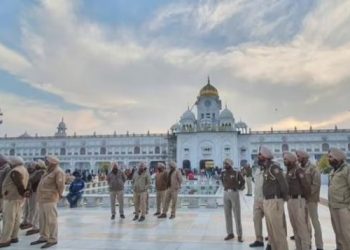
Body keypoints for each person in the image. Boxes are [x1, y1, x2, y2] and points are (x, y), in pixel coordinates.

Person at [30, 155, 65, 249]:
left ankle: (53, 239)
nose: (45, 163)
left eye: (47, 161)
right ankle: (43, 236)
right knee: (42, 220)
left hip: (50, 199)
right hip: (42, 199)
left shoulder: (58, 171)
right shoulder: (47, 171)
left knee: (51, 220)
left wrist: (59, 195)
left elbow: (61, 186)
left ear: (52, 162)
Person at [259, 146, 288, 250]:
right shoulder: (267, 168)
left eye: (260, 155)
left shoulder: (273, 168)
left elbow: (283, 184)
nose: (258, 157)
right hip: (268, 201)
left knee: (278, 231)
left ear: (265, 156)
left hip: (274, 201)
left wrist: (282, 200)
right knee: (271, 232)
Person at [296, 150, 323, 250]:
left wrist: (306, 194)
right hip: (302, 200)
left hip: (311, 200)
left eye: (298, 156)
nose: (297, 158)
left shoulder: (313, 168)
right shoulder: (299, 168)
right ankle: (308, 243)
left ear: (304, 157)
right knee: (305, 223)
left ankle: (319, 246)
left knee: (315, 222)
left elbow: (316, 185)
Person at [0, 156, 29, 248]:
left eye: (10, 162)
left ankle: (5, 239)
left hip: (11, 197)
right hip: (16, 197)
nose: (9, 163)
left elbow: (19, 185)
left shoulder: (15, 171)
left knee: (8, 219)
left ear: (14, 162)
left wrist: (22, 194)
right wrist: (23, 195)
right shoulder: (23, 169)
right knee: (16, 218)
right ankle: (14, 237)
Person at [284, 152, 311, 250]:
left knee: (302, 227)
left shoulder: (298, 170)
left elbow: (306, 186)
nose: (284, 161)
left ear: (291, 160)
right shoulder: (289, 171)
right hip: (291, 200)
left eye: (286, 159)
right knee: (295, 227)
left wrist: (305, 200)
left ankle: (306, 247)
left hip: (299, 201)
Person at [328, 148, 350, 250]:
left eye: (331, 157)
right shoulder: (333, 170)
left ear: (338, 157)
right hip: (334, 206)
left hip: (344, 207)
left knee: (346, 233)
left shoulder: (347, 169)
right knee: (338, 232)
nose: (329, 159)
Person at [221, 158, 245, 242]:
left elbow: (242, 181)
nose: (225, 165)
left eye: (227, 164)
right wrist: (226, 187)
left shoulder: (236, 173)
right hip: (226, 193)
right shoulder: (223, 173)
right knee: (227, 214)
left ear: (230, 164)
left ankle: (239, 234)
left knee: (237, 214)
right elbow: (222, 181)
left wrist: (237, 187)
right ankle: (230, 233)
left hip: (234, 193)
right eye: (224, 164)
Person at [25, 160, 47, 236]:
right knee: (34, 209)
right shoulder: (38, 172)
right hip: (35, 191)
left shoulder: (40, 172)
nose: (33, 166)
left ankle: (36, 226)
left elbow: (31, 179)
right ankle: (34, 224)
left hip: (37, 192)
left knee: (36, 209)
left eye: (35, 165)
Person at [249, 162, 266, 248]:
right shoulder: (257, 171)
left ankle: (271, 240)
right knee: (256, 219)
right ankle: (259, 239)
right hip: (257, 200)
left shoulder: (269, 171)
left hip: (266, 200)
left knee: (270, 221)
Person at [20, 162, 36, 230]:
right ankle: (25, 220)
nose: (28, 169)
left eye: (29, 168)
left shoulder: (37, 173)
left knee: (32, 208)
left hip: (33, 192)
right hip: (28, 192)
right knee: (25, 208)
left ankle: (30, 222)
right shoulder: (28, 173)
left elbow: (31, 181)